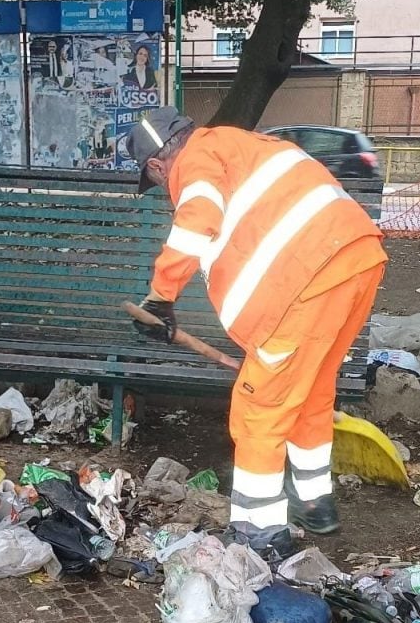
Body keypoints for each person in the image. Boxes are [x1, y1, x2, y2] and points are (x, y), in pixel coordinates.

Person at [124, 107, 387, 557]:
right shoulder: (240, 144)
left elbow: (199, 217)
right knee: (311, 392)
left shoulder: (196, 159)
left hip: (305, 283)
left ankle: (259, 531)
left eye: (159, 181)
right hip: (355, 261)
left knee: (258, 408)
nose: (166, 191)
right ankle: (315, 503)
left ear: (156, 163)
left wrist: (160, 296)